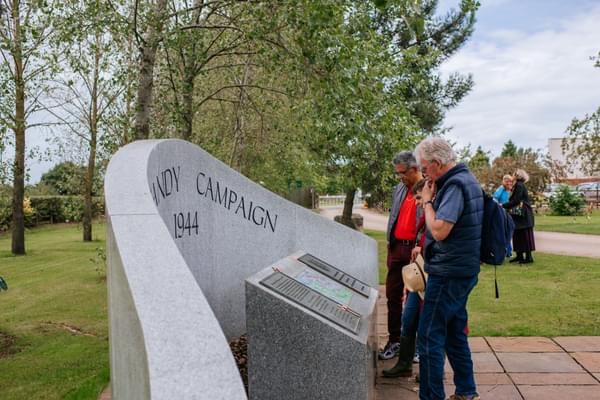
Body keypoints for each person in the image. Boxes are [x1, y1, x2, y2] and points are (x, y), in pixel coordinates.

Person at [415, 137, 483, 400]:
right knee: (455, 332)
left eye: (424, 168)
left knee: (430, 336)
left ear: (436, 163)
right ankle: (466, 391)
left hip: (448, 273)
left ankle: (432, 397)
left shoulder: (454, 184)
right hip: (463, 269)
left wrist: (428, 202)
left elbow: (441, 230)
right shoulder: (467, 179)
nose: (423, 173)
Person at [379, 151, 423, 360]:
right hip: (397, 248)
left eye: (403, 173)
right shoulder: (399, 189)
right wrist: (390, 240)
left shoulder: (428, 189)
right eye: (398, 173)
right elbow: (394, 216)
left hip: (416, 251)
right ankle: (395, 340)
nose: (400, 177)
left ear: (415, 169)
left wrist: (421, 245)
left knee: (416, 299)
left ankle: (414, 345)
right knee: (392, 295)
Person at [503, 169, 535, 264]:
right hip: (519, 213)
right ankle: (519, 256)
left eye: (514, 174)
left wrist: (503, 205)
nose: (512, 176)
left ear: (517, 176)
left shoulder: (519, 185)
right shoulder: (518, 185)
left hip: (522, 214)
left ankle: (528, 257)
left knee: (524, 235)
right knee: (518, 234)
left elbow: (516, 200)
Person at [493, 174, 513, 257]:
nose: (508, 182)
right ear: (504, 181)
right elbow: (494, 198)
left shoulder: (512, 190)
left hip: (511, 212)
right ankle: (505, 251)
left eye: (509, 181)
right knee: (505, 232)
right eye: (506, 180)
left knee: (510, 232)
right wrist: (500, 205)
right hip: (503, 212)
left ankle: (509, 251)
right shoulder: (501, 189)